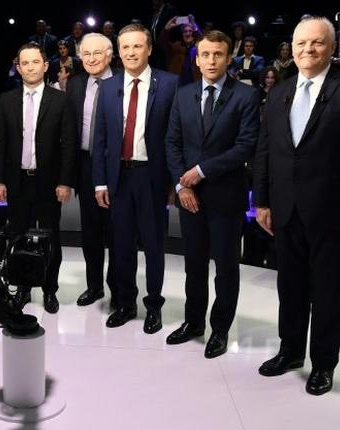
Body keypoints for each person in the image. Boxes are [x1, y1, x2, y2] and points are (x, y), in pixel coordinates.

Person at [253, 16, 340, 395]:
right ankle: (290, 351)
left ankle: (323, 363)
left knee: (328, 292)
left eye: (316, 43)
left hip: (334, 213)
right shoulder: (279, 92)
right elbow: (266, 149)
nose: (308, 50)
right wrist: (261, 200)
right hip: (285, 210)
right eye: (301, 44)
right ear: (291, 48)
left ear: (331, 47)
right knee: (290, 287)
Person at [164, 30, 260, 358]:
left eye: (218, 54)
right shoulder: (184, 94)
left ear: (228, 57)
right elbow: (172, 143)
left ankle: (219, 329)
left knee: (226, 269)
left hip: (226, 198)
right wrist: (181, 185)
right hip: (189, 198)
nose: (211, 60)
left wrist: (201, 171)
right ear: (197, 57)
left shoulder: (246, 96)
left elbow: (245, 146)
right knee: (193, 266)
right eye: (205, 54)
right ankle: (193, 322)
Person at [93, 24, 179, 331]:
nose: (131, 52)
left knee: (155, 246)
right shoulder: (108, 86)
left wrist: (173, 182)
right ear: (119, 52)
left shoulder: (170, 84)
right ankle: (126, 303)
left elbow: (175, 137)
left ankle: (153, 306)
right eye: (125, 47)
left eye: (137, 46)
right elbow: (100, 138)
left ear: (149, 49)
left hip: (152, 178)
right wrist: (100, 181)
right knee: (122, 246)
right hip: (119, 179)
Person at [0, 42, 76, 314]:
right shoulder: (6, 101)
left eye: (34, 62)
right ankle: (23, 288)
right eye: (24, 63)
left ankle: (50, 289)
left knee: (51, 237)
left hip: (49, 182)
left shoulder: (61, 100)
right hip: (17, 181)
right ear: (18, 68)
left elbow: (68, 146)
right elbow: (1, 144)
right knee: (18, 237)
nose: (29, 67)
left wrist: (65, 182)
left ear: (45, 65)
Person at [65, 33, 119, 309]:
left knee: (116, 231)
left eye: (97, 53)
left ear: (110, 55)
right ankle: (94, 286)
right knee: (91, 231)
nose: (92, 59)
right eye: (86, 54)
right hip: (85, 165)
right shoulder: (74, 85)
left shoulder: (122, 82)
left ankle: (118, 289)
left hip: (116, 166)